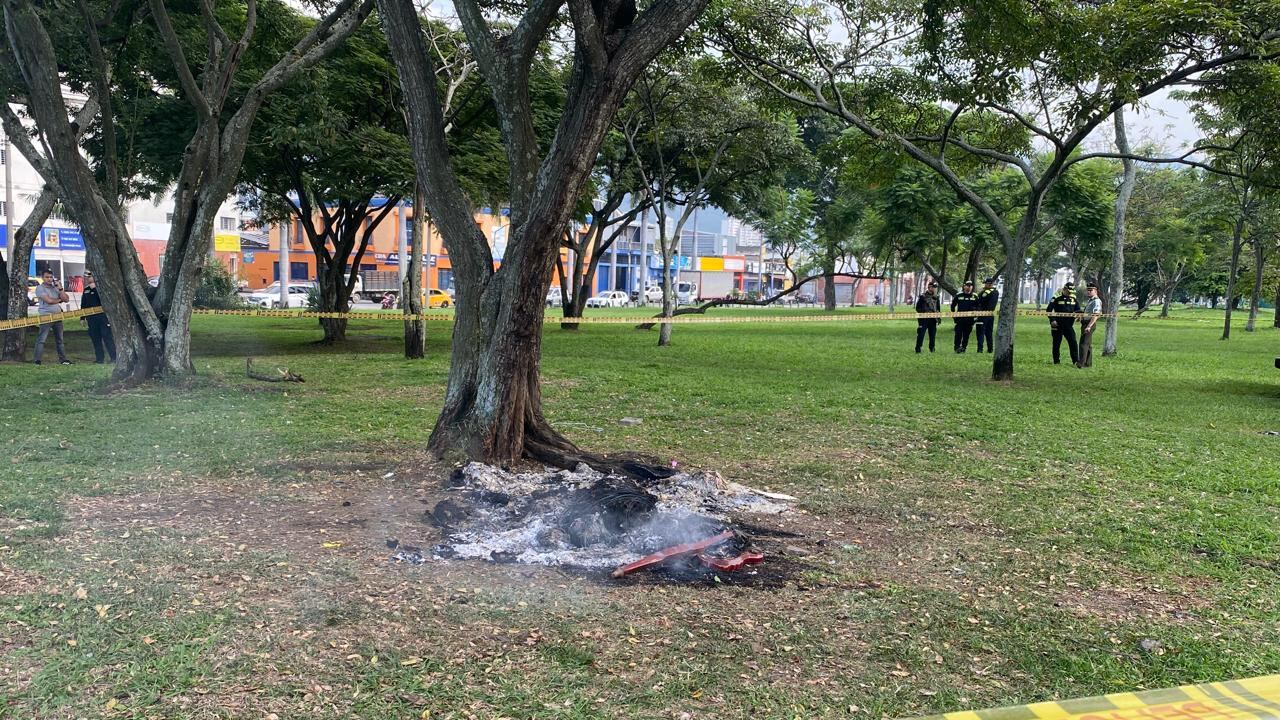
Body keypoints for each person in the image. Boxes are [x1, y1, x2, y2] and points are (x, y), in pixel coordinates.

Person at [33, 269, 72, 365]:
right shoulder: (40, 288)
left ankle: (63, 359)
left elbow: (66, 299)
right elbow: (49, 301)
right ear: (42, 278)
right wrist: (60, 300)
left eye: (51, 277)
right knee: (42, 339)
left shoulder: (55, 288)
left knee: (60, 339)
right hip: (46, 316)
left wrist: (60, 289)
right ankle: (37, 360)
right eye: (47, 277)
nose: (49, 279)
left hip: (58, 316)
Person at [80, 272, 116, 364]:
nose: (88, 278)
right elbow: (84, 303)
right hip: (91, 318)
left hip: (103, 317)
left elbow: (104, 300)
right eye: (87, 277)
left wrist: (95, 289)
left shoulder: (102, 288)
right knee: (95, 338)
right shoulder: (86, 290)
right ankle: (99, 359)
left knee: (107, 337)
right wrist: (82, 317)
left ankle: (114, 357)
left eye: (90, 276)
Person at [1046, 281, 1081, 365]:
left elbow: (1078, 309)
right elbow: (1049, 310)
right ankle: (1056, 361)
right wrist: (1052, 320)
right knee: (1056, 343)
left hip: (1068, 325)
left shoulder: (1073, 298)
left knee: (1073, 342)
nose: (1070, 294)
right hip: (1057, 324)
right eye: (1068, 292)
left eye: (1071, 292)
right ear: (1064, 289)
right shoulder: (1056, 297)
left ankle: (1075, 361)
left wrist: (1079, 315)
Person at [1076, 282, 1103, 368]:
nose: (1088, 292)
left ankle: (1081, 363)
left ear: (1096, 291)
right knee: (1088, 344)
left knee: (1083, 343)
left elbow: (1096, 315)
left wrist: (1089, 326)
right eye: (1088, 290)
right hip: (1085, 323)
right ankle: (1088, 363)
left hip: (1089, 324)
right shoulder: (1090, 300)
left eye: (1090, 290)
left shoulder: (1097, 301)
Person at [950, 280, 979, 353]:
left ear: (972, 287)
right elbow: (953, 306)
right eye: (967, 285)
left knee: (966, 335)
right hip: (960, 319)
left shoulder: (975, 296)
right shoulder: (959, 295)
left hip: (970, 320)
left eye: (970, 286)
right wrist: (954, 316)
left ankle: (963, 348)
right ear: (964, 286)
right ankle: (957, 348)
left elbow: (979, 307)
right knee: (958, 334)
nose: (969, 287)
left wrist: (975, 314)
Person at [914, 281, 940, 353]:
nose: (935, 289)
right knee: (921, 334)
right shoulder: (923, 296)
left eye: (935, 288)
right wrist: (924, 312)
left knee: (932, 335)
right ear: (929, 287)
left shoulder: (936, 297)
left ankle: (932, 348)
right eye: (934, 287)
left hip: (933, 320)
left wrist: (938, 317)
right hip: (924, 319)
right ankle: (918, 348)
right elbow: (918, 308)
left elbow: (938, 308)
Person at [976, 277, 999, 353]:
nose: (985, 285)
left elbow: (981, 302)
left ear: (990, 284)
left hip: (984, 315)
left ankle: (981, 349)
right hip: (988, 315)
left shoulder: (990, 292)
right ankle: (989, 349)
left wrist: (979, 310)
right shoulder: (988, 291)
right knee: (987, 332)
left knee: (982, 332)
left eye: (986, 283)